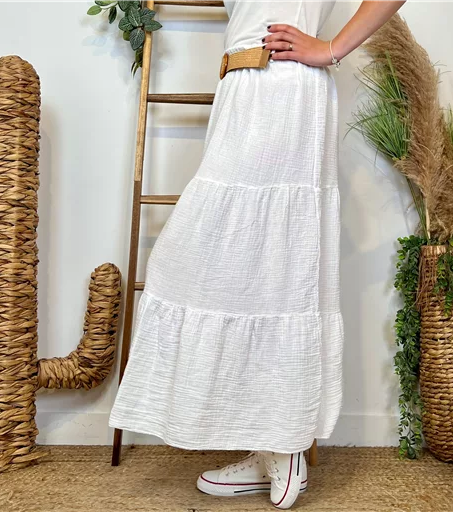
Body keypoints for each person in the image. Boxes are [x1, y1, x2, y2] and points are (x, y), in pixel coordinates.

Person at [109, 0, 407, 508]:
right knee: (246, 267)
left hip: (284, 90)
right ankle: (269, 441)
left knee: (276, 265)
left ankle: (286, 444)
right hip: (240, 93)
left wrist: (332, 48)